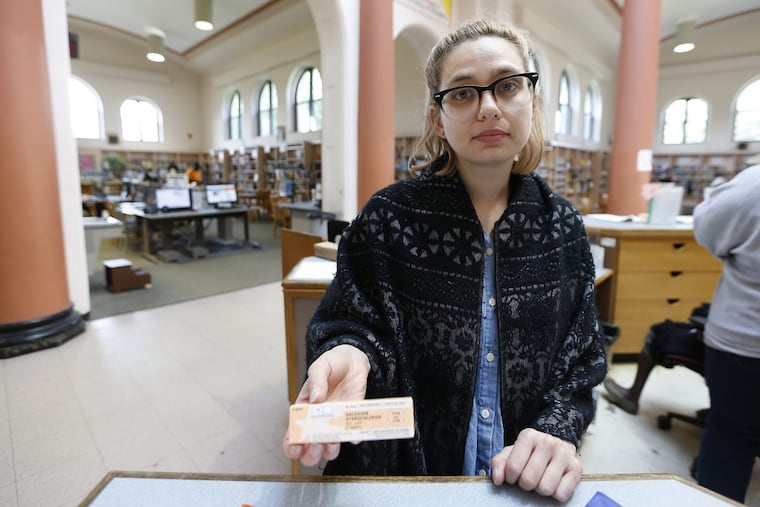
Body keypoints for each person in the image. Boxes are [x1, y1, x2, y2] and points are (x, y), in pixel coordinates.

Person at [282, 20, 606, 502]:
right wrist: (350, 352)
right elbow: (349, 319)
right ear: (438, 119)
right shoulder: (388, 217)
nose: (489, 107)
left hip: (518, 483)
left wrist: (559, 428)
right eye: (462, 94)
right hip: (409, 478)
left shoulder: (563, 227)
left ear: (531, 101)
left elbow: (581, 361)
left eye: (508, 85)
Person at [691, 161, 760, 503]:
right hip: (744, 343)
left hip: (746, 342)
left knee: (731, 439)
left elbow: (709, 228)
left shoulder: (753, 186)